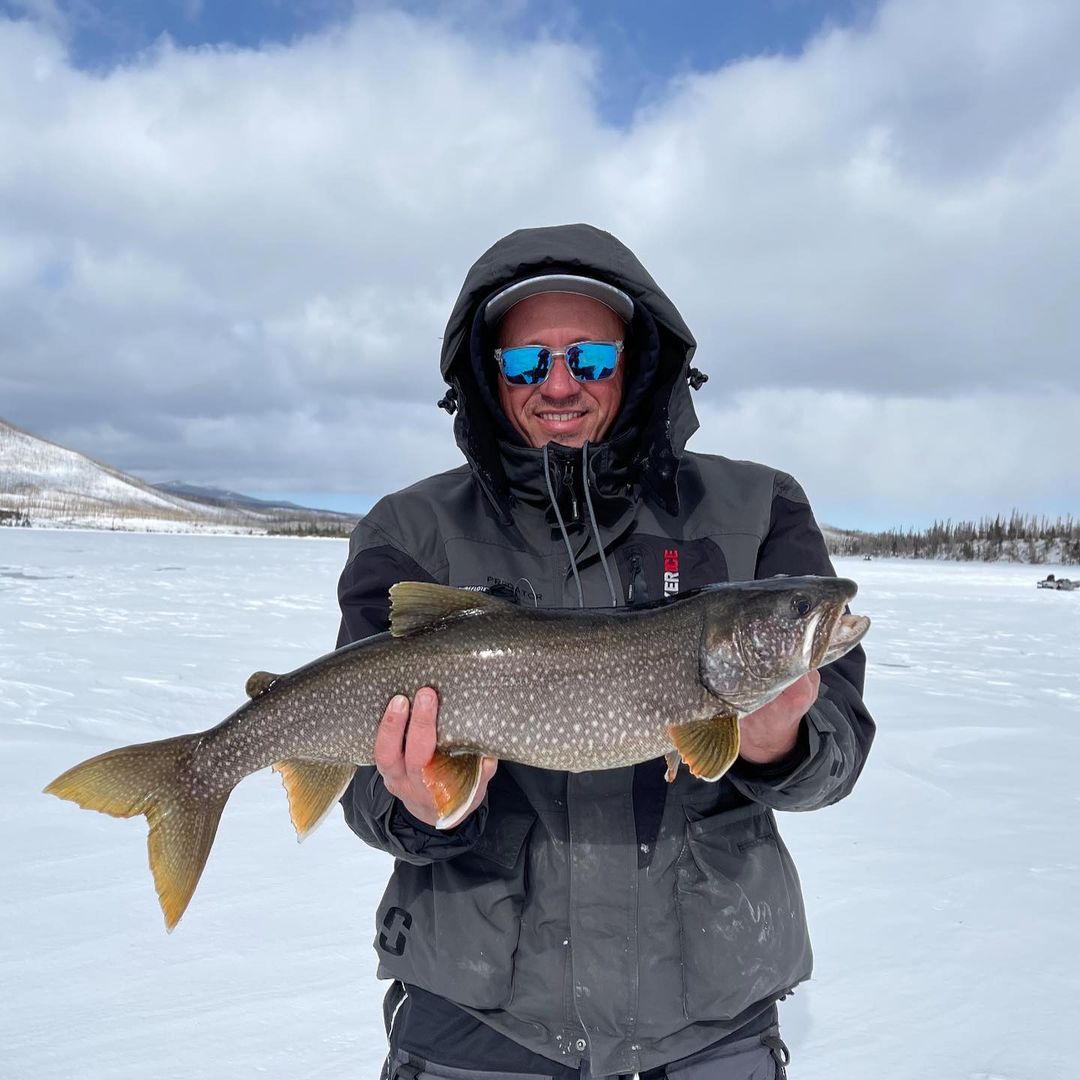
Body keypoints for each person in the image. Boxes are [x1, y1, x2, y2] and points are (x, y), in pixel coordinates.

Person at [336, 224, 875, 1079]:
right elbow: (368, 796)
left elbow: (836, 754)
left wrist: (781, 744)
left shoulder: (759, 505)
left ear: (635, 360)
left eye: (587, 358)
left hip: (710, 1020)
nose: (559, 384)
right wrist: (414, 802)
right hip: (478, 1023)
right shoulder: (411, 531)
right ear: (488, 374)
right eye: (526, 364)